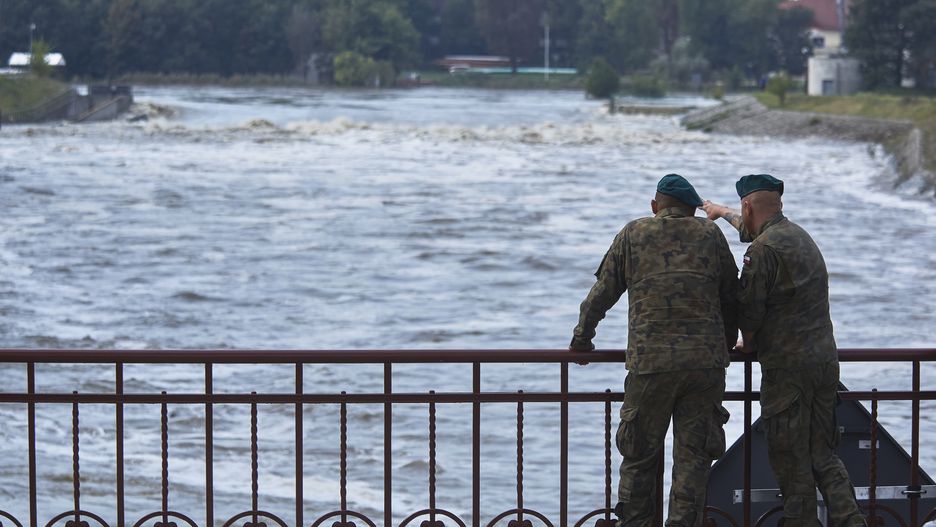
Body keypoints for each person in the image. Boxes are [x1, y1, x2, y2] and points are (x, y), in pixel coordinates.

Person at [570, 174, 738, 527]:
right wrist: (724, 346)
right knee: (693, 462)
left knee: (639, 459)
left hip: (651, 366)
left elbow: (602, 293)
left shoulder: (634, 234)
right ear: (694, 210)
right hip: (704, 367)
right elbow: (732, 298)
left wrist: (582, 341)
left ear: (654, 206)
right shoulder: (710, 234)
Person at [702, 174, 866, 527]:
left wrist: (748, 341)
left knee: (790, 458)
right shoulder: (799, 237)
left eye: (742, 209)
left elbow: (750, 309)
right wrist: (720, 211)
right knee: (823, 455)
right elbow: (753, 228)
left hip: (788, 372)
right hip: (824, 363)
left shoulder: (762, 252)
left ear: (748, 205)